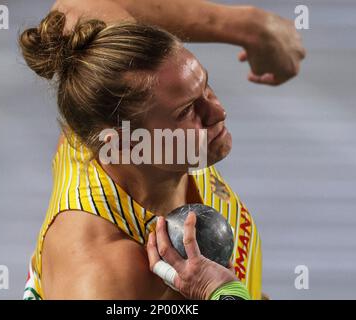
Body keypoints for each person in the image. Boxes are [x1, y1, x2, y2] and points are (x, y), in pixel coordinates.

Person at [21, 0, 305, 300]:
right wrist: (227, 293)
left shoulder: (104, 93)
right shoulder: (104, 275)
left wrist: (250, 27)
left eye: (205, 86)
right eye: (186, 111)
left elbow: (76, 6)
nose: (218, 111)